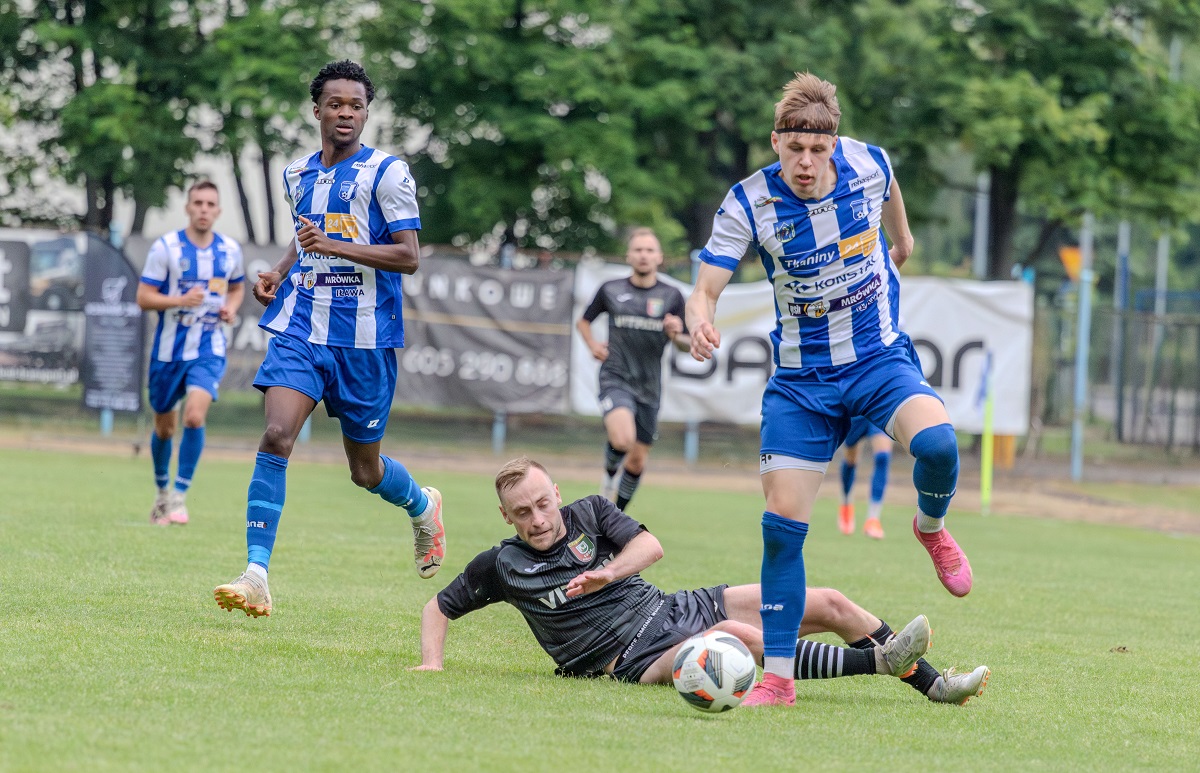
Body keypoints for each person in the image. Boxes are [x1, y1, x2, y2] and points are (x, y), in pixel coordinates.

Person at [685, 72, 973, 707]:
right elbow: (707, 283)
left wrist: (902, 241)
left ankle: (930, 527)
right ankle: (779, 681)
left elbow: (892, 185)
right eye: (794, 151)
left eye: (818, 151)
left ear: (835, 143)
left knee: (941, 446)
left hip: (877, 359)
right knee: (781, 528)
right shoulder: (748, 200)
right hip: (802, 383)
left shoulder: (868, 163)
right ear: (776, 143)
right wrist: (700, 314)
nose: (806, 164)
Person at [411, 458, 990, 707]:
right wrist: (432, 664)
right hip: (629, 659)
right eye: (522, 513)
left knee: (832, 603)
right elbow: (439, 606)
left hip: (672, 606)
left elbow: (651, 546)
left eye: (541, 503)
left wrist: (608, 571)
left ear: (556, 493)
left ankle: (934, 686)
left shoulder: (590, 512)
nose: (537, 519)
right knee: (739, 633)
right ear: (506, 518)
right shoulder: (503, 565)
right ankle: (882, 663)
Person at [212, 60, 445, 618]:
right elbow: (306, 239)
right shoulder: (297, 174)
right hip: (302, 328)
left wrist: (336, 248)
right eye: (335, 104)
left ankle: (421, 504)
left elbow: (408, 257)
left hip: (366, 342)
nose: (345, 113)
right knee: (275, 434)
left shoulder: (387, 173)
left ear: (367, 113)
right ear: (317, 110)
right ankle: (257, 573)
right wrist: (279, 271)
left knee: (364, 471)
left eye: (356, 106)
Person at [137, 181, 245, 526]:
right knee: (165, 428)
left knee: (195, 417)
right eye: (197, 202)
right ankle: (161, 493)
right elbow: (143, 297)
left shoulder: (229, 250)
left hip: (208, 348)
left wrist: (230, 308)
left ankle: (180, 497)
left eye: (210, 203)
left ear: (218, 211)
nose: (203, 209)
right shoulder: (166, 247)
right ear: (187, 208)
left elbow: (238, 287)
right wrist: (179, 301)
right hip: (168, 352)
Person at [576, 228, 690, 510]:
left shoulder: (672, 295)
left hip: (649, 385)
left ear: (659, 257)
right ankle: (608, 476)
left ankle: (614, 515)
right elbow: (584, 321)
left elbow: (687, 344)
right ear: (628, 255)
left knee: (638, 460)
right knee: (622, 438)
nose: (643, 255)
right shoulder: (611, 289)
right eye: (638, 249)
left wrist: (677, 334)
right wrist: (592, 344)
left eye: (649, 250)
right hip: (615, 376)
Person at [838, 416, 893, 538]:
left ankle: (873, 519)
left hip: (878, 406)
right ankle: (846, 503)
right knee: (850, 461)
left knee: (883, 457)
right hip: (856, 411)